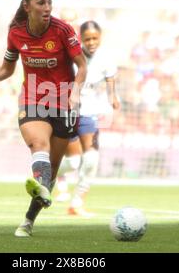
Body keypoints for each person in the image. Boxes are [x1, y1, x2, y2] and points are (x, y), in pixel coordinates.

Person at [0, 0, 87, 237]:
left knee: (51, 172)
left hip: (64, 103)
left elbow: (81, 66)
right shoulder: (16, 33)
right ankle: (41, 189)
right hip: (33, 98)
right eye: (40, 3)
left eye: (49, 2)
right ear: (27, 6)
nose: (47, 7)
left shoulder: (63, 30)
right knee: (38, 144)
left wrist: (76, 92)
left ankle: (28, 220)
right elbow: (6, 69)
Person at [56, 20, 120, 217]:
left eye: (95, 38)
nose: (92, 42)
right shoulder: (71, 55)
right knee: (74, 162)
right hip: (68, 111)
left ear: (100, 38)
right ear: (81, 39)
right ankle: (48, 171)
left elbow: (110, 77)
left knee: (91, 159)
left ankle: (77, 202)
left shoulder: (106, 58)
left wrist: (112, 96)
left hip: (89, 112)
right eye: (87, 39)